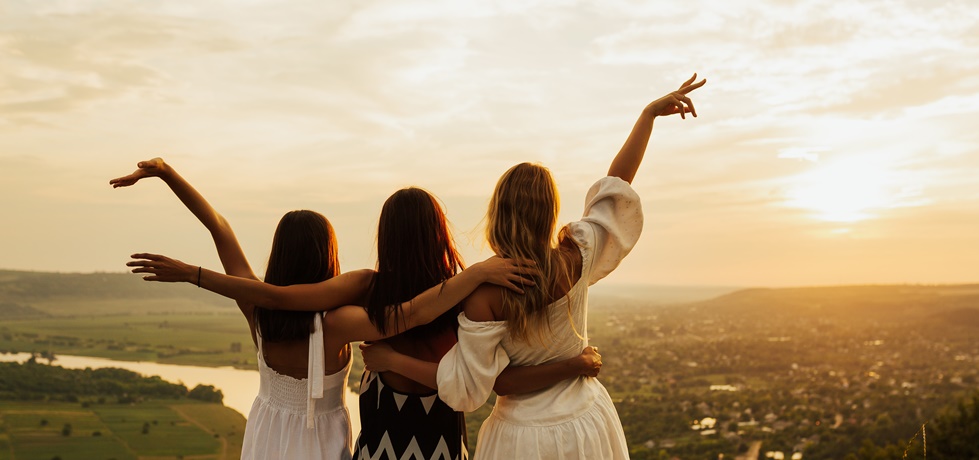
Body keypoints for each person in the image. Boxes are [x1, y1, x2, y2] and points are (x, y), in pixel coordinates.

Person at [359, 74, 706, 459]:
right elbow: (616, 186)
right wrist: (647, 117)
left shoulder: (486, 293)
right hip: (587, 422)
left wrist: (391, 360)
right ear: (549, 212)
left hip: (521, 439)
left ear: (499, 211)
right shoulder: (577, 254)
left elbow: (475, 388)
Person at [126, 181, 599, 460]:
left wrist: (194, 273)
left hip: (296, 440)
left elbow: (250, 266)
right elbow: (436, 336)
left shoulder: (303, 310)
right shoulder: (450, 299)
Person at [111, 158, 363, 459]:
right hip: (321, 448)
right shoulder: (340, 324)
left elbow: (218, 226)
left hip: (264, 442)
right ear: (327, 257)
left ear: (279, 256)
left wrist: (166, 173)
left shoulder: (257, 311)